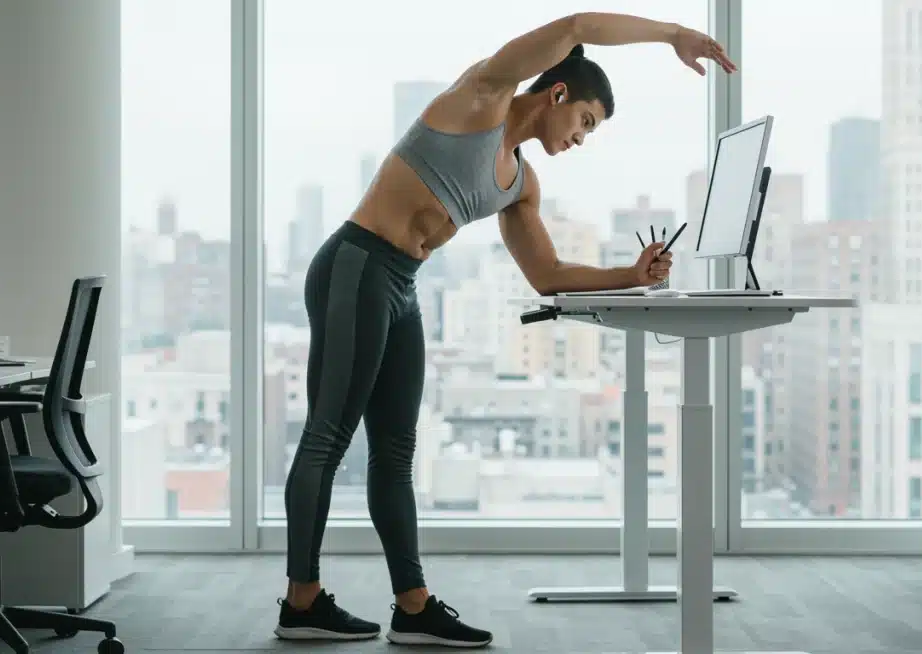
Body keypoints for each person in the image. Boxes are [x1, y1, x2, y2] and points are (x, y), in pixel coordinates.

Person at [273, 11, 737, 649]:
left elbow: (547, 274)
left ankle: (413, 608)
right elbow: (576, 25)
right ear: (558, 94)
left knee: (397, 451)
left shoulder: (521, 184)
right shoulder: (480, 97)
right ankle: (301, 602)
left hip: (402, 282)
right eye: (585, 122)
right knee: (328, 438)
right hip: (355, 263)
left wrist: (632, 275)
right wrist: (672, 36)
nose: (582, 138)